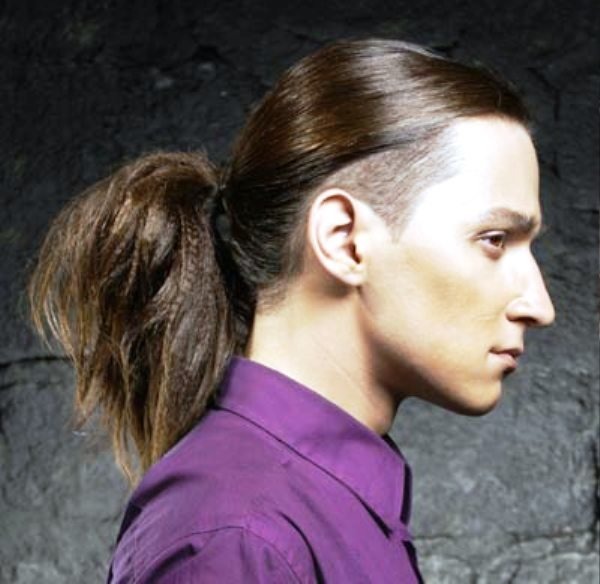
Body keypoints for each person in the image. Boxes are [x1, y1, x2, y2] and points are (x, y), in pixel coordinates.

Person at [27, 38, 555, 583]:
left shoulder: (310, 510)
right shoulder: (237, 538)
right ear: (345, 240)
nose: (540, 306)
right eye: (494, 240)